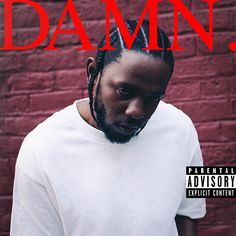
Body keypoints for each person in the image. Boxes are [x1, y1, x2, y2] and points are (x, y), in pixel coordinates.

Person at [10, 20, 206, 236]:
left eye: (153, 98)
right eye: (124, 91)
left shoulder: (182, 128)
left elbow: (190, 211)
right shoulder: (40, 148)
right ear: (93, 72)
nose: (137, 111)